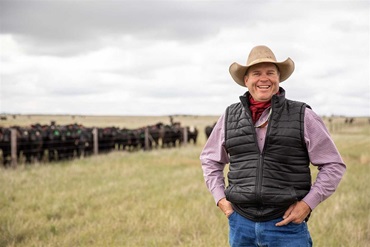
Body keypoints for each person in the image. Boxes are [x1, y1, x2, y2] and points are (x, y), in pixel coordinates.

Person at [200, 45, 346, 247]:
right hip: (241, 224)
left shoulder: (302, 115)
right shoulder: (229, 116)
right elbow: (210, 159)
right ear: (246, 80)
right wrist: (220, 199)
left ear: (279, 78)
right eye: (256, 73)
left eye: (270, 73)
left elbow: (333, 164)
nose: (264, 79)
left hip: (286, 225)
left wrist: (307, 204)